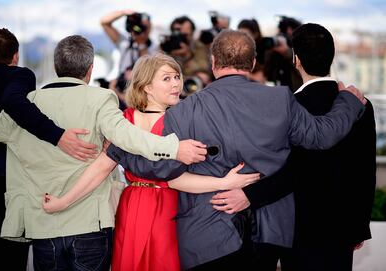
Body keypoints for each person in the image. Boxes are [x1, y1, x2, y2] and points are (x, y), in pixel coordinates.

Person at [104, 30, 366, 270]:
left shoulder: (186, 110)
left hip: (206, 234)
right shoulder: (281, 99)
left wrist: (120, 150)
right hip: (268, 232)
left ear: (214, 62)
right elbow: (322, 135)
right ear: (253, 63)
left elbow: (160, 169)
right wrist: (349, 102)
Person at [0, 35, 206, 271]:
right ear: (90, 68)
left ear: (55, 67)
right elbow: (128, 137)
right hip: (90, 224)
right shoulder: (101, 99)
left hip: (43, 223)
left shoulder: (25, 106)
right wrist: (174, 148)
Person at [42, 52, 260, 271]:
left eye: (177, 77)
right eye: (167, 78)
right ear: (146, 86)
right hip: (142, 207)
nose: (176, 84)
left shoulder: (173, 120)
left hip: (163, 209)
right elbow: (101, 167)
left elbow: (173, 179)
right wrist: (64, 202)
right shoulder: (127, 121)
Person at [218, 23, 377, 271]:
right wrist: (358, 226)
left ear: (296, 59)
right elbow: (366, 171)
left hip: (298, 228)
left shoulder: (288, 106)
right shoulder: (361, 104)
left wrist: (249, 196)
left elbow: (293, 171)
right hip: (343, 228)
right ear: (332, 57)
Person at [0, 28, 96, 269]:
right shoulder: (21, 76)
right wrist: (57, 136)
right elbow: (14, 103)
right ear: (16, 56)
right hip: (10, 184)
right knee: (11, 256)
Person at [100, 9, 156, 77]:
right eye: (139, 26)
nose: (141, 29)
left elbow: (146, 69)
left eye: (145, 27)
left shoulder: (154, 47)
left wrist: (142, 44)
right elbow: (104, 22)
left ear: (150, 27)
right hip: (122, 84)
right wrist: (123, 13)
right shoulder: (125, 42)